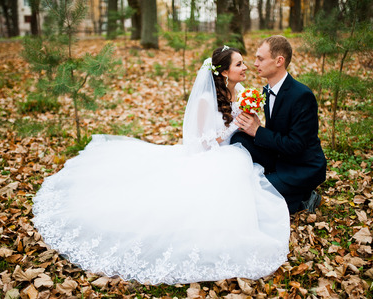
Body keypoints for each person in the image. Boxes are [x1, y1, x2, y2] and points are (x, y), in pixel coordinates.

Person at [32, 46, 290, 285]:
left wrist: (249, 117)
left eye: (244, 63)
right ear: (224, 71)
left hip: (233, 152)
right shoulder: (204, 100)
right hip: (211, 156)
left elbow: (249, 118)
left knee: (240, 173)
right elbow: (201, 143)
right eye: (239, 64)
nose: (245, 68)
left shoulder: (243, 92)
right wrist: (235, 125)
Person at [232, 35, 327, 214]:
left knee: (256, 195)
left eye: (260, 58)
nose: (255, 63)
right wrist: (256, 128)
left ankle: (304, 197)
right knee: (239, 138)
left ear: (279, 61)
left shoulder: (302, 96)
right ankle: (278, 183)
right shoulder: (267, 91)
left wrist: (258, 131)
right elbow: (279, 131)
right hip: (281, 156)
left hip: (302, 166)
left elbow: (296, 145)